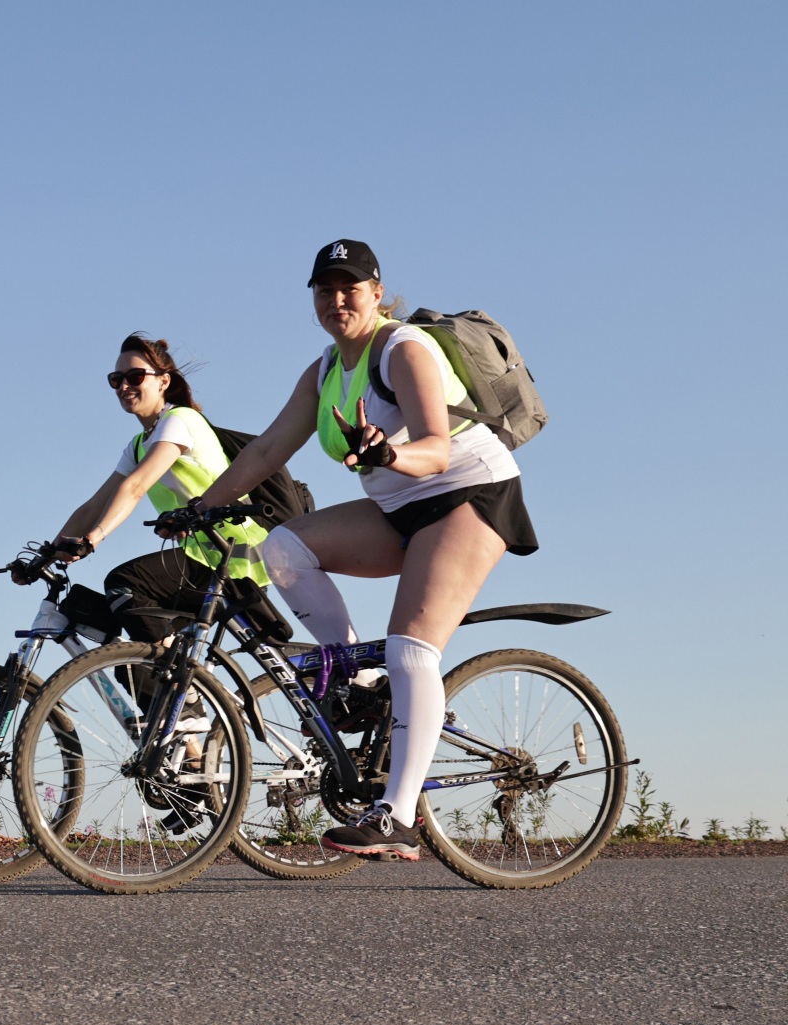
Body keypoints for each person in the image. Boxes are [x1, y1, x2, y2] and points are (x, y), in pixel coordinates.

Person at [189, 239, 538, 859]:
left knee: (412, 648)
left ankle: (398, 817)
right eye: (325, 290)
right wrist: (200, 507)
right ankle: (362, 681)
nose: (337, 300)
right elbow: (266, 451)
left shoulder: (404, 349)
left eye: (350, 288)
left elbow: (435, 450)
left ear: (377, 293)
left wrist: (387, 452)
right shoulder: (325, 369)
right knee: (284, 547)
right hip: (398, 509)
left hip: (467, 494)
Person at [49, 332, 270, 644]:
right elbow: (94, 505)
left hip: (234, 553)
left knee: (125, 583)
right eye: (116, 379)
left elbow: (136, 486)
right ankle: (158, 669)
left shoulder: (180, 420)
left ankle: (168, 669)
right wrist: (48, 553)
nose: (124, 386)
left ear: (163, 381)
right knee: (129, 649)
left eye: (135, 376)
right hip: (203, 556)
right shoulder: (139, 444)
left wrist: (92, 539)